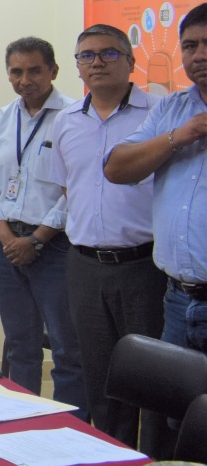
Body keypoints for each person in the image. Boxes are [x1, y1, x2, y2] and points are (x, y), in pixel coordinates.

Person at [42, 25, 163, 443]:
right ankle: (112, 461)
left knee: (150, 377)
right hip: (85, 266)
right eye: (87, 55)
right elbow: (66, 188)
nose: (97, 62)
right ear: (76, 67)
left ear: (131, 61)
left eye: (109, 54)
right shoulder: (66, 123)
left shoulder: (159, 113)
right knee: (99, 373)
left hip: (143, 265)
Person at [0, 37, 83, 408]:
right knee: (20, 343)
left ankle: (70, 429)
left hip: (54, 246)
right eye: (16, 72)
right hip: (6, 245)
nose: (25, 80)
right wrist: (8, 239)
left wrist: (36, 239)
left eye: (34, 70)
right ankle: (21, 420)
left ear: (53, 70)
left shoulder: (73, 116)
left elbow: (76, 188)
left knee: (67, 347)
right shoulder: (1, 119)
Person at [106, 1, 207, 355]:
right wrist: (179, 137)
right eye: (191, 46)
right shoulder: (171, 109)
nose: (199, 55)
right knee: (176, 406)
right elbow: (116, 168)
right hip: (178, 298)